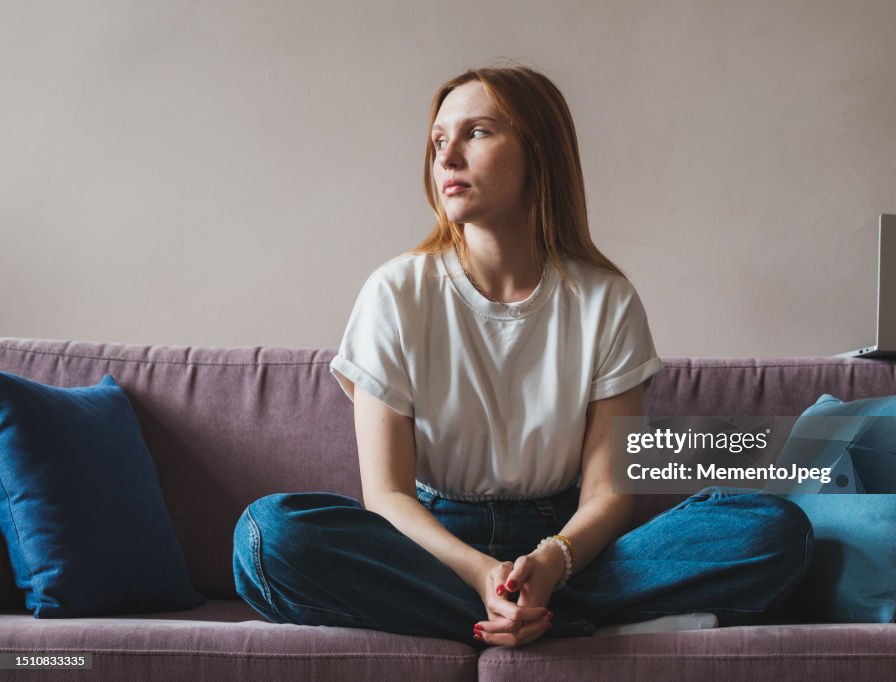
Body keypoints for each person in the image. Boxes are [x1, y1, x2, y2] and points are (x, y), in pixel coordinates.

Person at [233, 64, 812, 649]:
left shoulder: (604, 299)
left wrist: (553, 561)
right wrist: (484, 574)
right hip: (434, 544)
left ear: (539, 151)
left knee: (772, 530)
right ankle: (565, 623)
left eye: (476, 133)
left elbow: (609, 493)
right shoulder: (396, 292)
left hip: (564, 545)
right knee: (269, 535)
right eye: (438, 141)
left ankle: (514, 615)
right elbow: (387, 496)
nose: (447, 158)